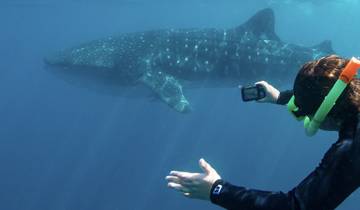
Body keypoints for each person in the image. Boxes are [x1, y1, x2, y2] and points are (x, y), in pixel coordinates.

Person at [165, 55, 360, 210]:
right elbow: (336, 91)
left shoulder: (352, 148)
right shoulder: (351, 90)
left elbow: (297, 206)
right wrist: (281, 97)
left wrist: (216, 190)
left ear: (323, 114)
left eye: (305, 113)